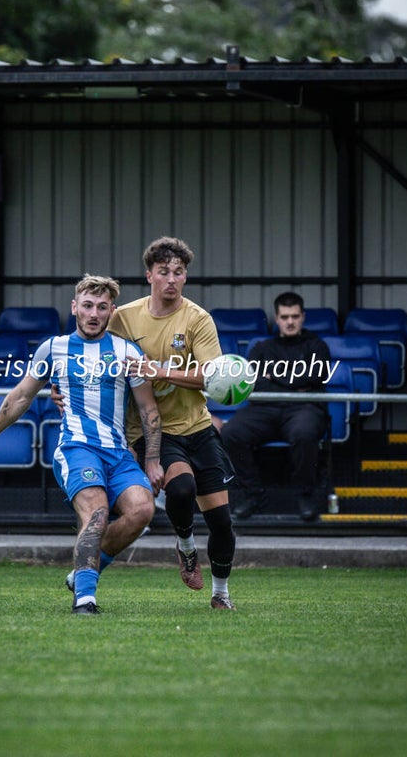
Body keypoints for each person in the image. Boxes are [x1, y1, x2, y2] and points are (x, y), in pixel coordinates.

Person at [0, 274, 164, 615]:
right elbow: (20, 397)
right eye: (87, 305)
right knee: (98, 513)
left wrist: (152, 459)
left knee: (142, 509)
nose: (93, 313)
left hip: (118, 453)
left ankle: (83, 571)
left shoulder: (127, 351)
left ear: (111, 312)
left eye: (102, 307)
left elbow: (149, 408)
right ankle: (85, 600)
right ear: (74, 307)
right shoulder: (54, 348)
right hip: (76, 448)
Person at [107, 236, 237, 610]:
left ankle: (221, 594)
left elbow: (212, 378)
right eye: (163, 272)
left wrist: (159, 370)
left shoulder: (198, 319)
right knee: (180, 490)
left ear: (185, 278)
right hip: (153, 431)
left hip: (197, 427)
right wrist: (62, 390)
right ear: (149, 275)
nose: (171, 279)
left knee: (222, 523)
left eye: (178, 272)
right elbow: (97, 360)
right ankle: (185, 545)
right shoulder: (124, 318)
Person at [219, 291, 330, 522]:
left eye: (295, 316)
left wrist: (274, 379)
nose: (290, 321)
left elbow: (316, 376)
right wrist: (295, 383)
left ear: (303, 317)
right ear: (277, 318)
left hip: (304, 408)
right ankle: (254, 495)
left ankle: (305, 495)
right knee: (231, 432)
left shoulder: (317, 346)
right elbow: (254, 382)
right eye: (285, 316)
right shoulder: (262, 348)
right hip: (266, 409)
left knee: (304, 433)